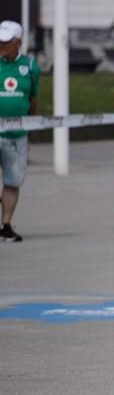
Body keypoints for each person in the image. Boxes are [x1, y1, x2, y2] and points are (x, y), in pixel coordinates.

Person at [0, 21, 40, 242]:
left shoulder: (31, 67)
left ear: (18, 42)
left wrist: (29, 125)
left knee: (12, 181)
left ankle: (5, 226)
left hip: (17, 135)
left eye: (5, 42)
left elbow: (33, 99)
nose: (1, 45)